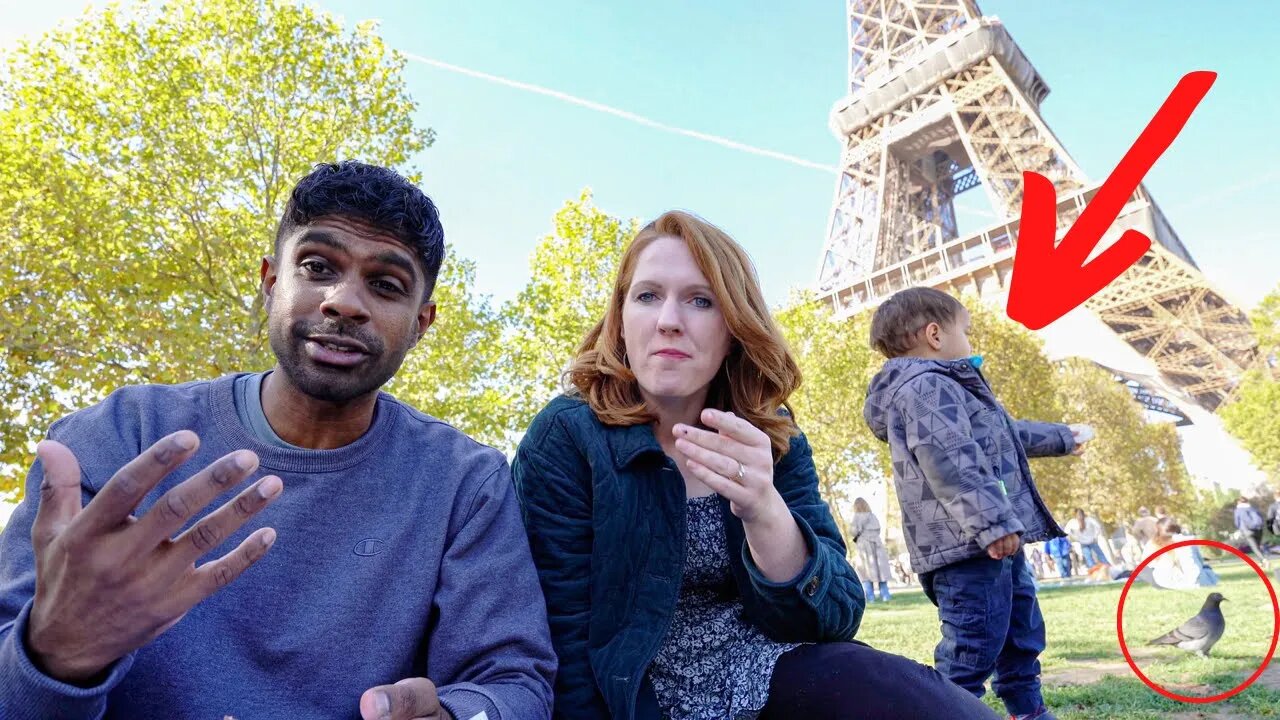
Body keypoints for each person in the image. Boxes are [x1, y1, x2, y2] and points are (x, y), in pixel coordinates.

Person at [0, 162, 556, 720]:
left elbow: (511, 682)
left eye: (386, 285)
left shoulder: (465, 482)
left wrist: (457, 716)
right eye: (317, 266)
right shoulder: (122, 434)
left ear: (421, 325)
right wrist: (54, 658)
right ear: (270, 282)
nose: (344, 302)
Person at [513, 212, 999, 719]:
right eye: (647, 295)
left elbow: (837, 616)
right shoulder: (567, 435)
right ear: (620, 317)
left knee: (923, 700)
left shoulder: (771, 432)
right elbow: (560, 634)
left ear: (733, 326)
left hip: (761, 671)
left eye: (701, 300)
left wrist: (765, 510)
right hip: (631, 693)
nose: (669, 320)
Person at [863, 287, 1095, 720]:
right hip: (969, 545)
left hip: (992, 539)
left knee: (1019, 634)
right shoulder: (926, 387)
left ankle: (1027, 711)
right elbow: (950, 457)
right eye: (964, 332)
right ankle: (947, 714)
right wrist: (991, 522)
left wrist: (1065, 437)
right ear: (934, 334)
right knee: (971, 650)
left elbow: (1007, 435)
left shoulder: (947, 388)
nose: (970, 343)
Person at [1140, 518, 1218, 589]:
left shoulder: (1152, 543)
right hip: (1195, 582)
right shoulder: (1189, 540)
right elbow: (1200, 561)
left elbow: (1147, 564)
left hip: (1165, 583)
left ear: (1158, 531)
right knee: (1207, 569)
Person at [852, 497, 894, 602]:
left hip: (864, 547)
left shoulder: (856, 517)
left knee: (865, 572)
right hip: (877, 546)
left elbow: (853, 532)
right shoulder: (872, 516)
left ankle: (870, 598)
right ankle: (885, 596)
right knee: (881, 572)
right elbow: (878, 529)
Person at [1234, 497, 1271, 569]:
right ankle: (1261, 563)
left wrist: (1240, 529)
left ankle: (1264, 560)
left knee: (1255, 547)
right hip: (1258, 530)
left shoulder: (1238, 510)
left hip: (1247, 531)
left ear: (1239, 503)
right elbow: (1260, 518)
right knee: (1257, 546)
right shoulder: (1253, 508)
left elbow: (1237, 522)